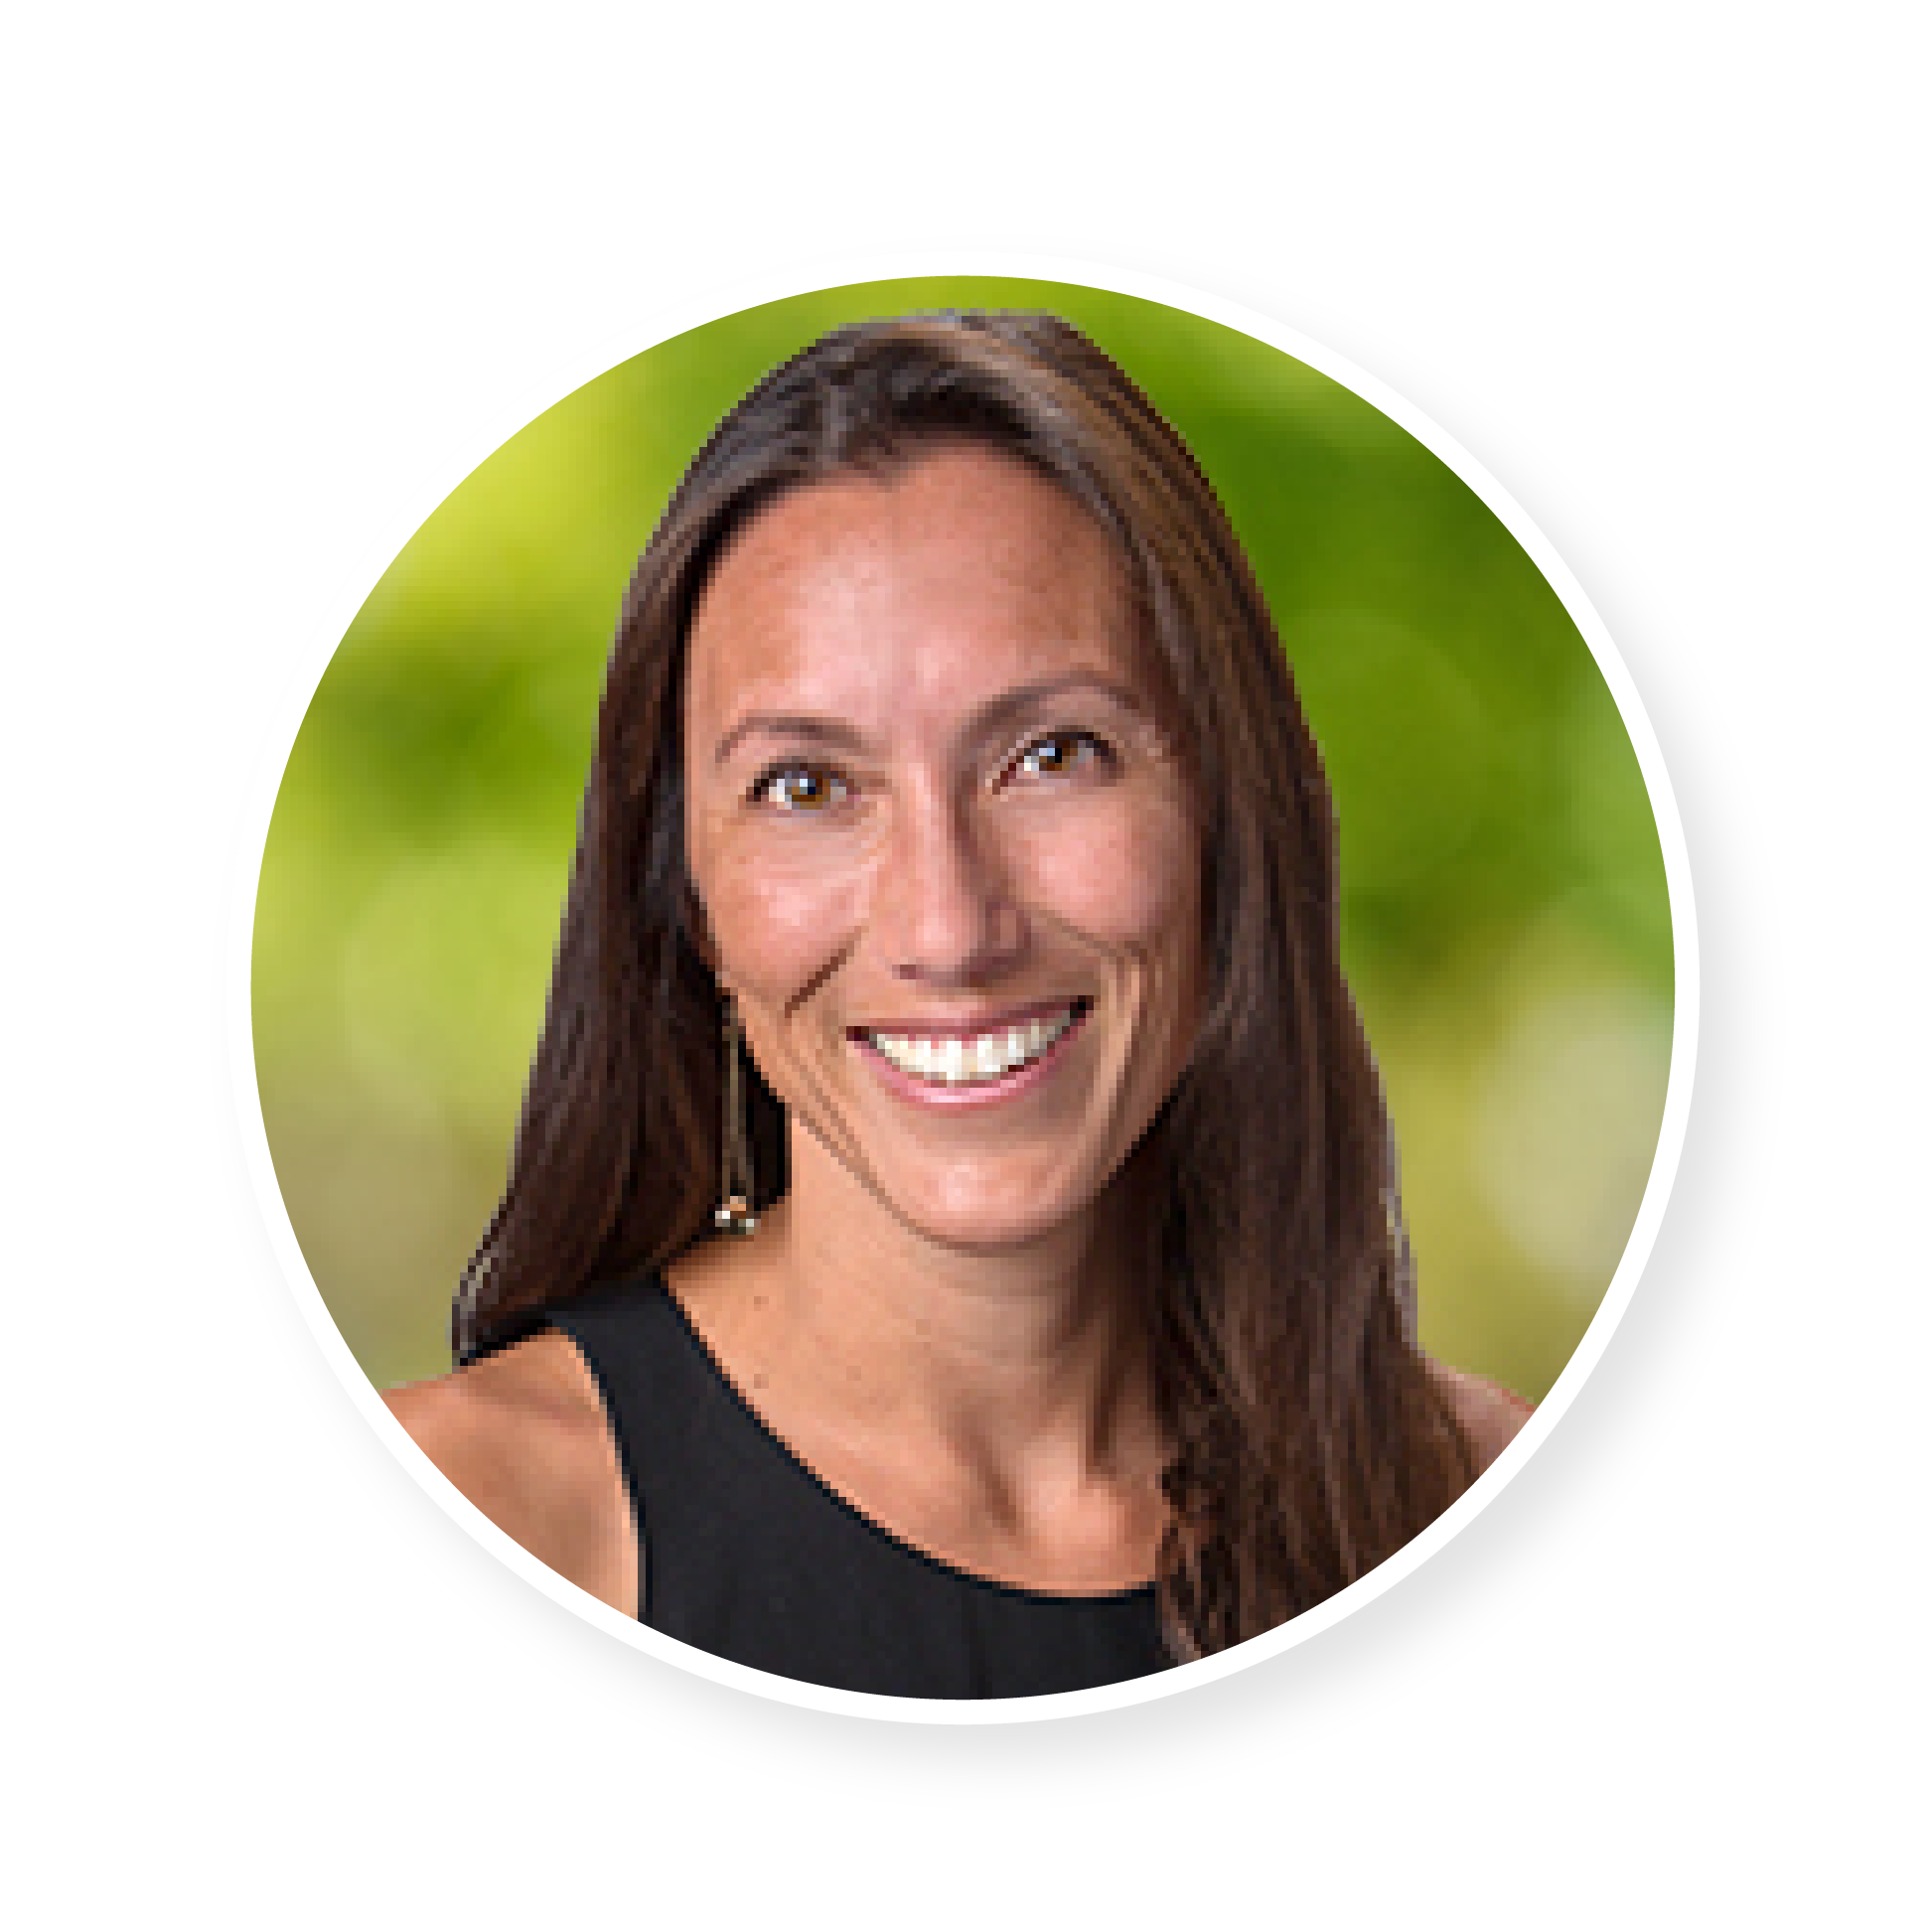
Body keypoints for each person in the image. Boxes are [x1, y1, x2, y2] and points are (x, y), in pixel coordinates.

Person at [384, 309, 1529, 1698]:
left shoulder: (1487, 1511)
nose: (949, 928)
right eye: (806, 786)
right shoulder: (463, 1527)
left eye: (1053, 754)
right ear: (686, 896)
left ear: (1228, 814)